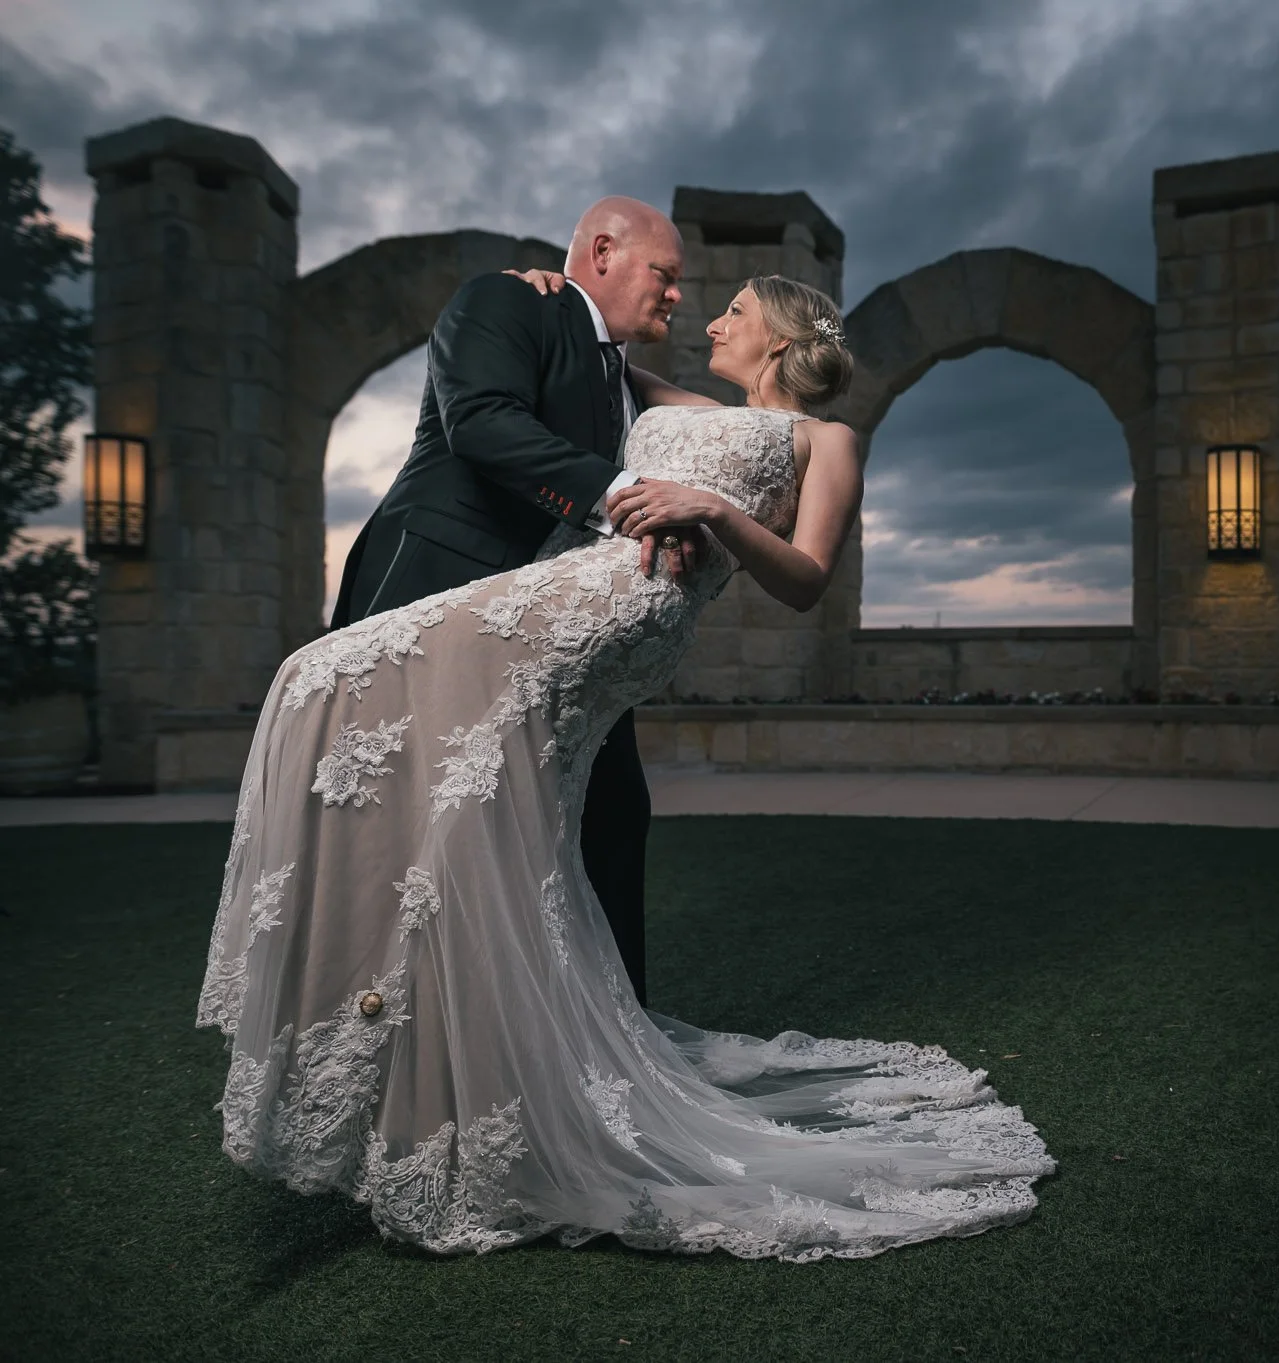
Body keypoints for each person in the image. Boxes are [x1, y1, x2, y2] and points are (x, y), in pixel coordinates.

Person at [197, 254, 1055, 1260]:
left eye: (733, 311)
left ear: (780, 336)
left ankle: (458, 1073)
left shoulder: (828, 438)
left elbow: (806, 579)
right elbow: (593, 352)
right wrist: (550, 286)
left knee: (328, 672)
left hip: (636, 596)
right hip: (588, 573)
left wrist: (717, 511)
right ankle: (459, 1064)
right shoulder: (675, 400)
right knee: (433, 758)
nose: (711, 323)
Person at [329, 195, 698, 1007]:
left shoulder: (629, 379)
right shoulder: (505, 299)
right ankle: (395, 1025)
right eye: (664, 274)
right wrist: (625, 495)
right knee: (415, 829)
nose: (676, 294)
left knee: (613, 810)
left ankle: (609, 1031)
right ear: (602, 253)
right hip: (437, 601)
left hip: (561, 635)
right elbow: (481, 421)